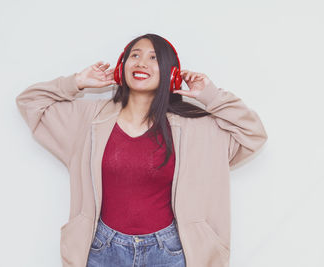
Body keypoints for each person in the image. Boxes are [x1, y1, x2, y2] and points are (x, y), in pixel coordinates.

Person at [15, 33, 268, 267]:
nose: (141, 63)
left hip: (169, 252)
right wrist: (77, 82)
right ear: (121, 68)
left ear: (172, 73)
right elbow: (30, 102)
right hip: (102, 250)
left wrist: (211, 96)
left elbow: (253, 134)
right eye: (134, 55)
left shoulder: (196, 128)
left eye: (153, 57)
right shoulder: (89, 119)